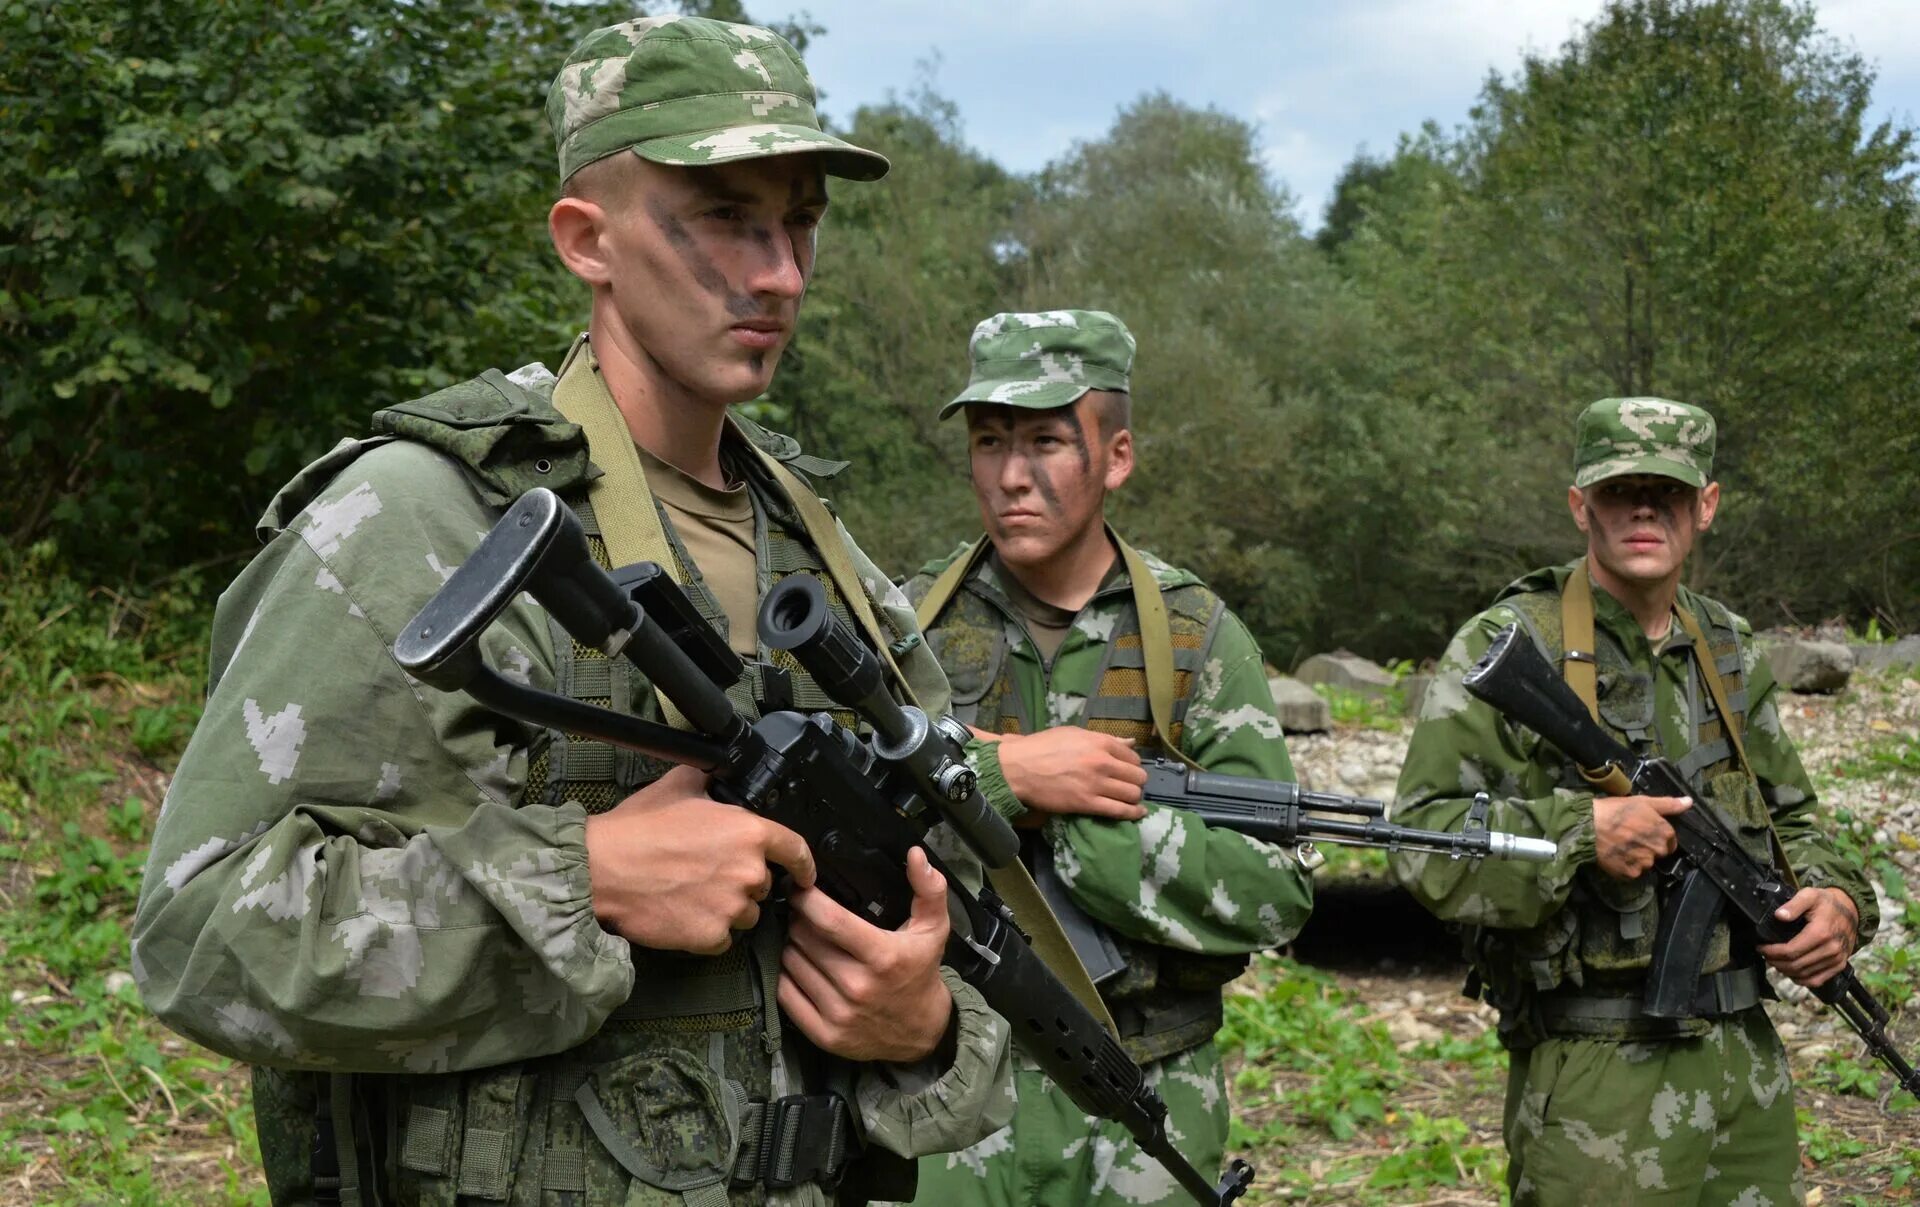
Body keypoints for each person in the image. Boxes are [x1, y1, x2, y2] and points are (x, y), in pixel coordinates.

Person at [132, 18, 1015, 1205]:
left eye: (801, 217)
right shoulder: (419, 520)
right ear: (586, 240)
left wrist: (923, 1021)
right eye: (723, 216)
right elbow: (196, 932)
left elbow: (955, 896)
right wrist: (585, 877)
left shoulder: (827, 556)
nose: (782, 273)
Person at [1389, 397, 1877, 1205]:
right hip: (1595, 1075)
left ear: (1706, 506)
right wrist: (1580, 831)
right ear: (1581, 504)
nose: (1645, 507)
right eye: (1621, 490)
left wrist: (1837, 902)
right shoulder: (1509, 644)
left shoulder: (1726, 649)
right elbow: (1421, 839)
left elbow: (1794, 818)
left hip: (1746, 1068)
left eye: (1670, 491)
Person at [901, 310, 1314, 1206]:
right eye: (988, 441)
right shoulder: (909, 626)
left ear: (1116, 457)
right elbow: (823, 811)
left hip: (1149, 1096)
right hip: (952, 1088)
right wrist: (1008, 780)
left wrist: (1100, 835)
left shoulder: (1195, 639)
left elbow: (1279, 893)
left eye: (1048, 440)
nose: (1012, 475)